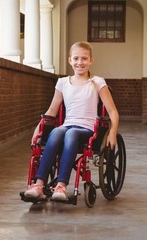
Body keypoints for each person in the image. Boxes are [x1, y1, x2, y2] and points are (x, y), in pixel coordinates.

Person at [24, 41, 119, 201]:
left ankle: (61, 186)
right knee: (57, 130)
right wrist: (38, 129)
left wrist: (113, 132)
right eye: (76, 58)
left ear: (90, 60)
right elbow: (52, 111)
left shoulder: (97, 82)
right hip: (67, 126)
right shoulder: (62, 83)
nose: (79, 62)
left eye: (84, 58)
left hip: (88, 130)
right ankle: (39, 184)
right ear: (70, 60)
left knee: (71, 134)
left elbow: (112, 111)